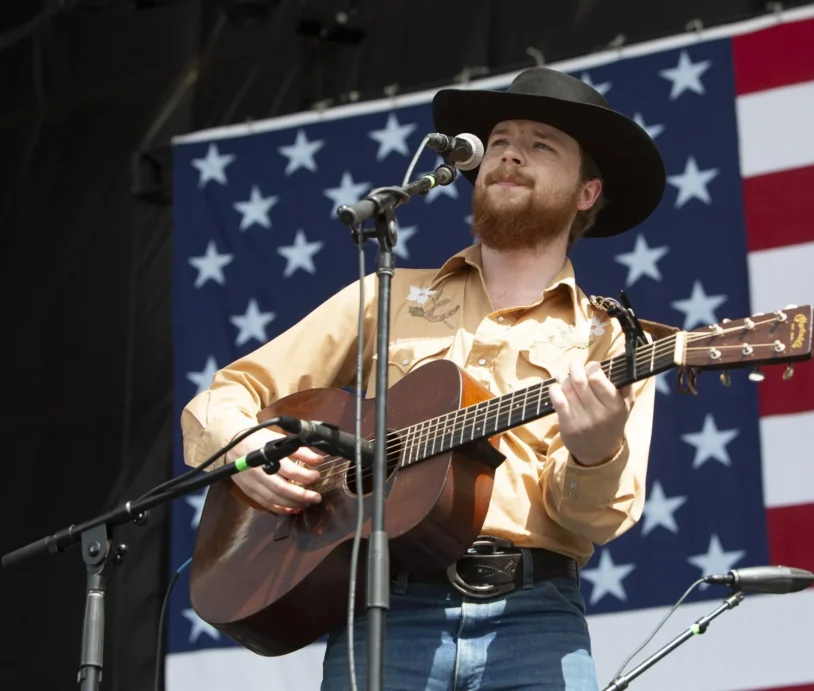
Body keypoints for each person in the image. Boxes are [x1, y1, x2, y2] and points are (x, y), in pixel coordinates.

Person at [180, 66, 668, 690]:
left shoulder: (615, 342)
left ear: (586, 193)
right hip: (387, 612)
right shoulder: (385, 296)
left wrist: (595, 452)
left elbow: (592, 521)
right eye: (499, 141)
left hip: (535, 619)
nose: (511, 153)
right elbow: (226, 397)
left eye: (541, 143)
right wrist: (251, 451)